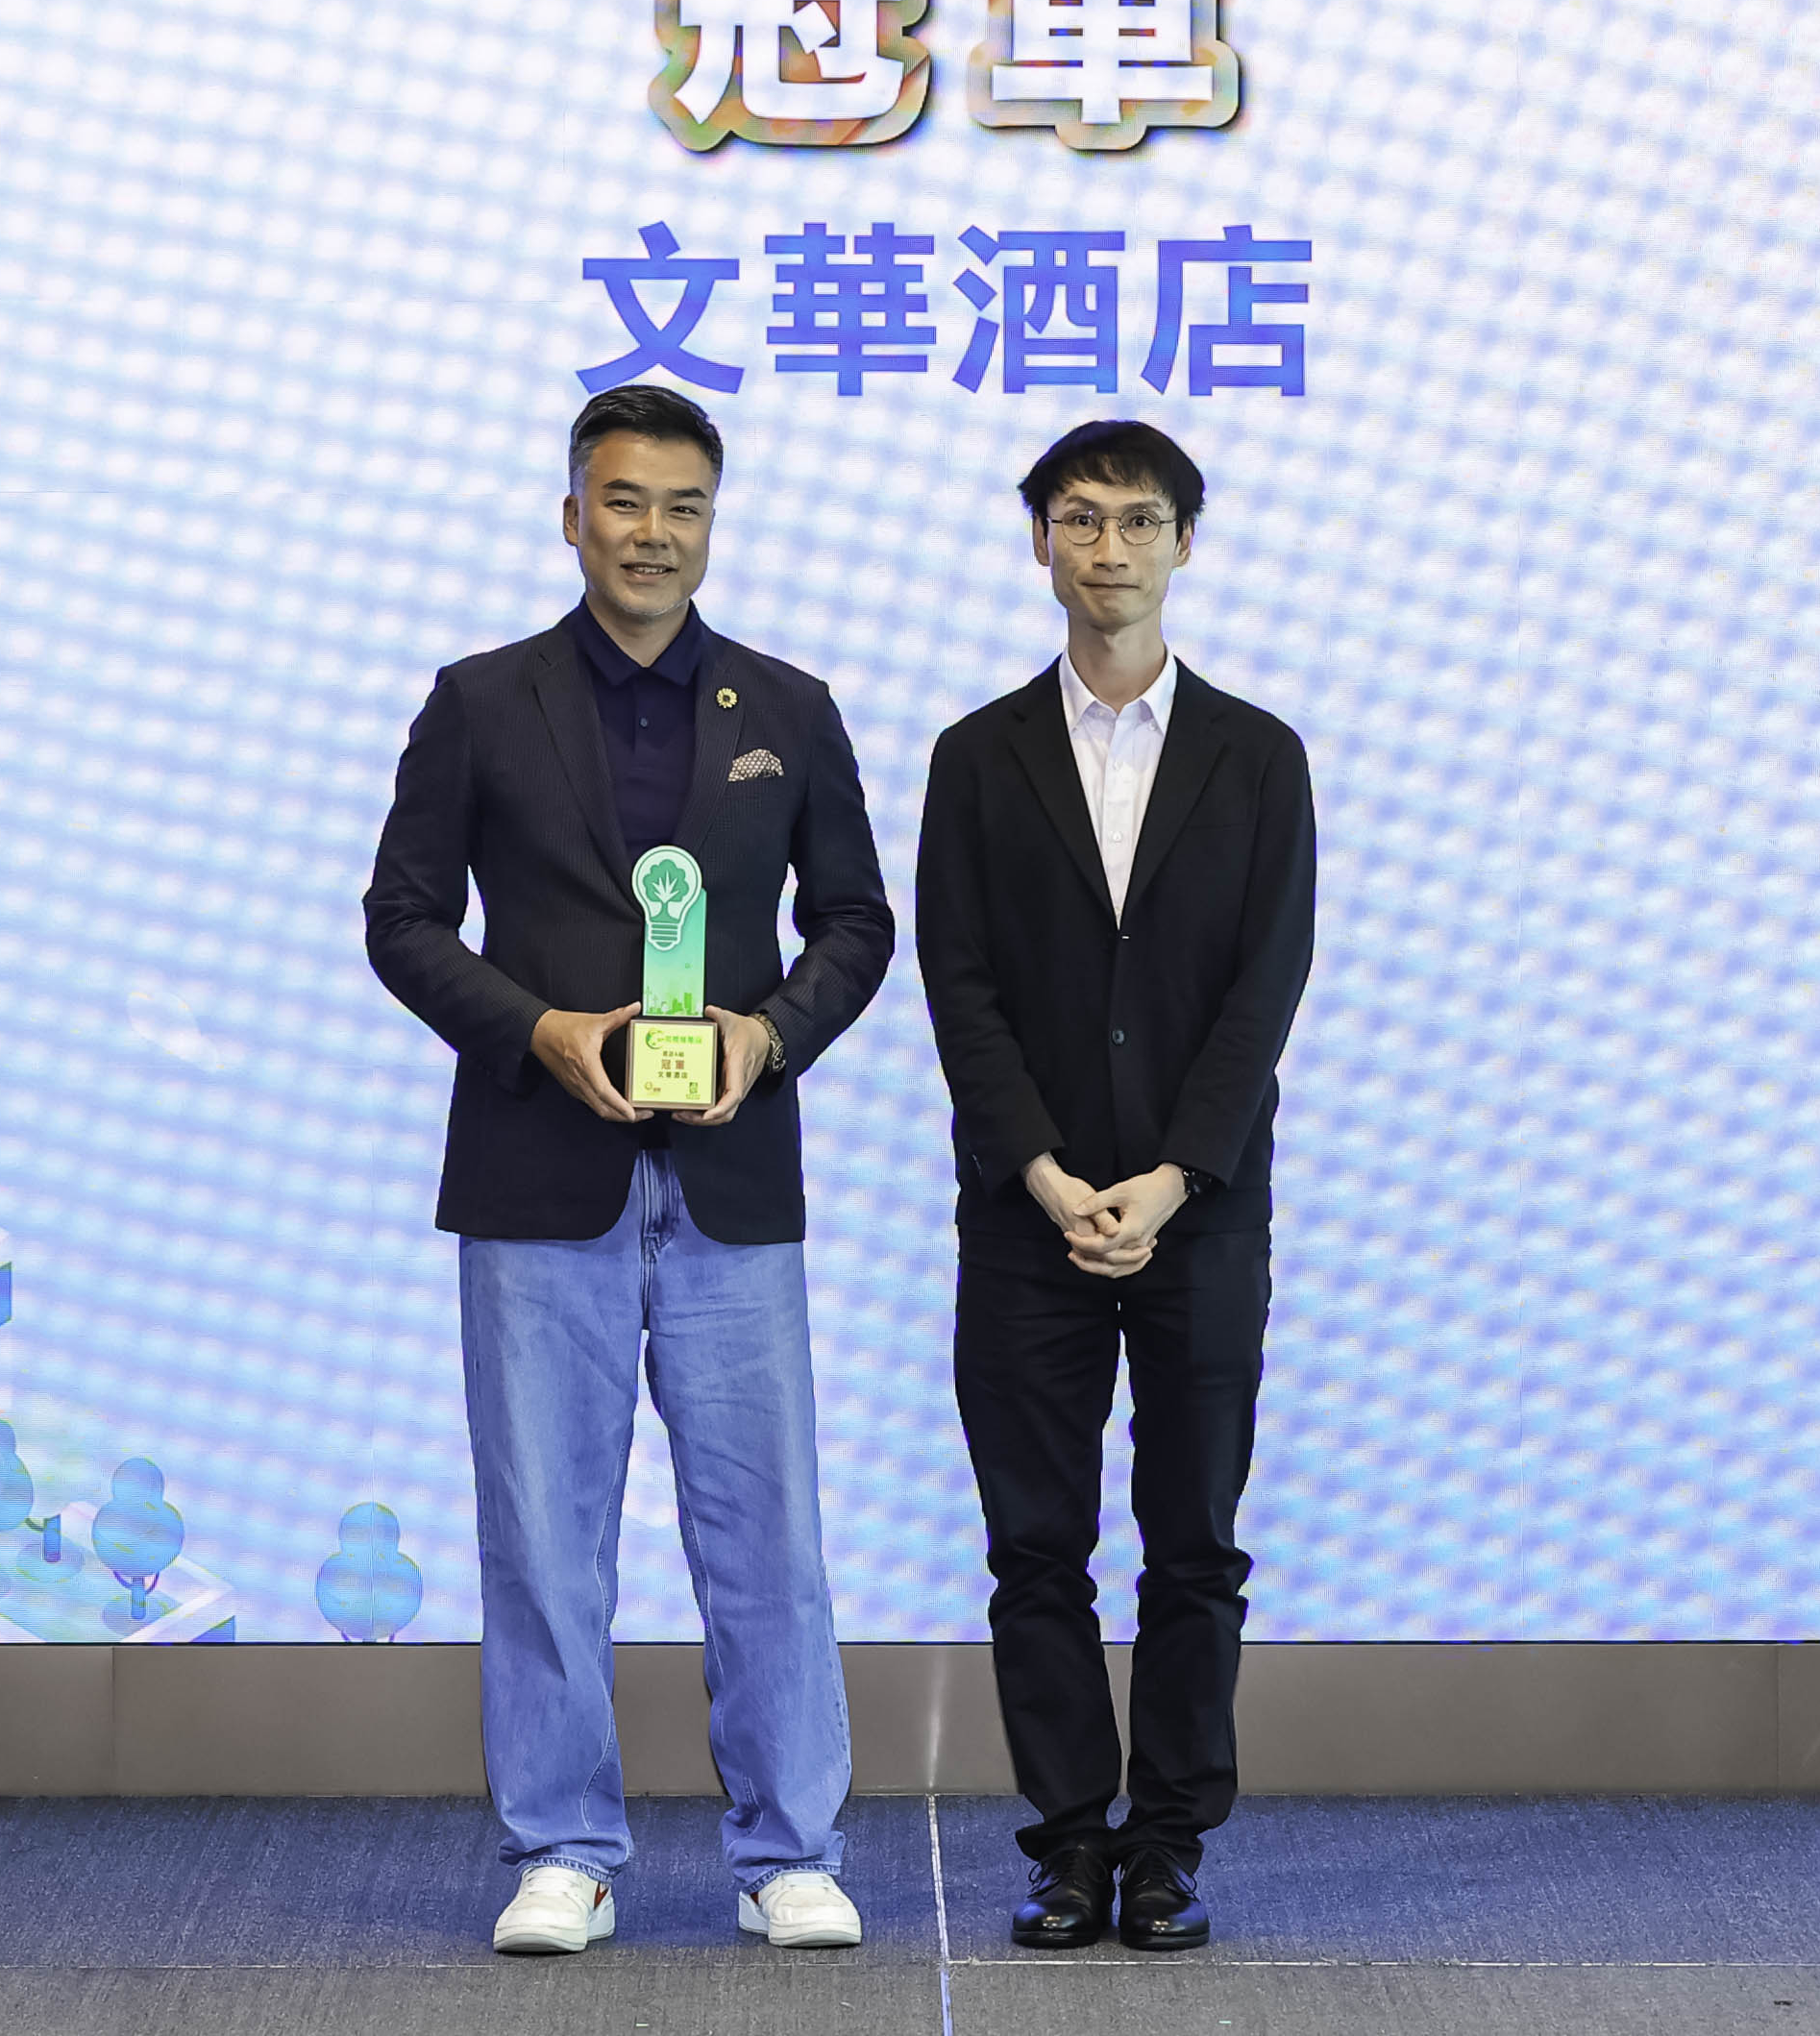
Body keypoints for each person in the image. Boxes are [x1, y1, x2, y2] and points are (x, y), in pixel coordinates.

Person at [362, 383, 898, 1954]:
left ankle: (787, 1851)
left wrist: (767, 1036)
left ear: (711, 523)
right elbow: (402, 918)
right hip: (539, 1174)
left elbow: (856, 922)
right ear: (571, 514)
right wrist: (535, 1029)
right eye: (623, 500)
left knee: (767, 1529)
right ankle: (563, 1848)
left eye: (682, 505)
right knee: (542, 1532)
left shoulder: (787, 705)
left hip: (732, 1181)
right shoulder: (480, 699)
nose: (651, 532)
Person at [911, 418, 1316, 1954]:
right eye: (1078, 518)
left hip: (1198, 1215)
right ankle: (1069, 1842)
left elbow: (1264, 988)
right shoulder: (976, 755)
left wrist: (1167, 1178)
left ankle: (1169, 1847)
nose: (1109, 548)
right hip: (1025, 1217)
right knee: (1036, 1549)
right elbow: (958, 985)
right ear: (1039, 541)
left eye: (1140, 520)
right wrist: (1041, 1169)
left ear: (1184, 543)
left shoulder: (1258, 756)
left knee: (1193, 1543)